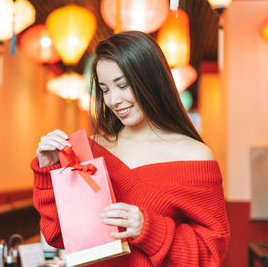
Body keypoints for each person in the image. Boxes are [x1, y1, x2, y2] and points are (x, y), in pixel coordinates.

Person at [31, 31, 230, 266]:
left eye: (122, 85)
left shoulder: (194, 156)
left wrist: (149, 228)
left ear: (152, 80)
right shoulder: (86, 151)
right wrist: (48, 169)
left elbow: (210, 254)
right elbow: (59, 236)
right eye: (105, 89)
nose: (113, 100)